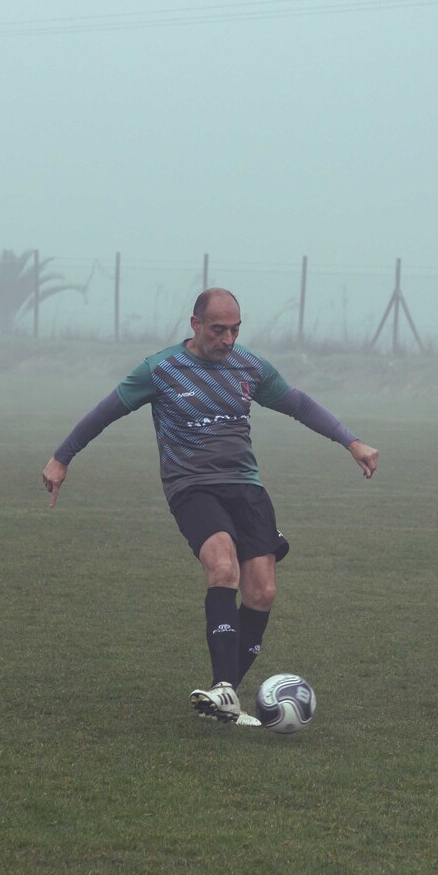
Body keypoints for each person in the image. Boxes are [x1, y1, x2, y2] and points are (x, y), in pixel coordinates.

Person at [42, 288, 379, 726]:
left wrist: (351, 441)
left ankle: (224, 698)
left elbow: (297, 403)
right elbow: (106, 412)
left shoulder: (249, 366)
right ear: (195, 324)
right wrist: (61, 457)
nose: (228, 339)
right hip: (192, 486)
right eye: (219, 330)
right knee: (222, 566)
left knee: (262, 592)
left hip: (246, 487)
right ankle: (223, 686)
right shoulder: (160, 369)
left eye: (235, 330)